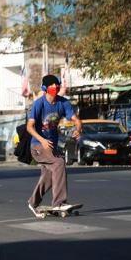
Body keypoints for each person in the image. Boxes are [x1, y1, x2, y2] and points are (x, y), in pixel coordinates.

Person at [26, 74, 82, 216]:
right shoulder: (39, 104)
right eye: (52, 86)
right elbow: (29, 127)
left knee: (49, 177)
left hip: (51, 147)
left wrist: (78, 129)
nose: (55, 88)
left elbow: (76, 120)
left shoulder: (63, 103)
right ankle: (59, 203)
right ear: (45, 88)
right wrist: (43, 140)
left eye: (56, 85)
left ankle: (33, 202)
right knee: (59, 163)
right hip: (38, 146)